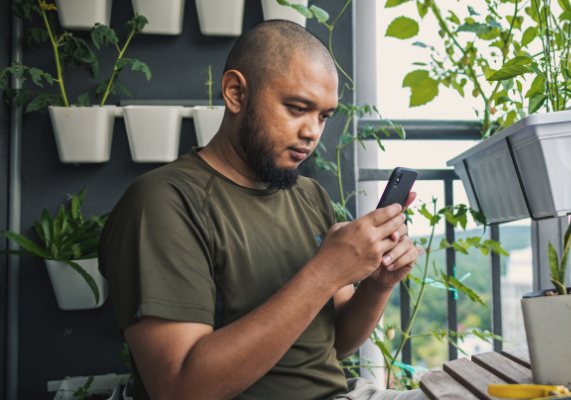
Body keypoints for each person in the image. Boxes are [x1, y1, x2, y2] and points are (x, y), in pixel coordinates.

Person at [98, 20, 427, 400]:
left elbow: (335, 343)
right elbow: (178, 389)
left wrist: (376, 284)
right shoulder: (163, 202)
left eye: (323, 116)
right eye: (297, 108)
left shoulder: (309, 196)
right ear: (236, 93)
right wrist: (324, 272)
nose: (312, 132)